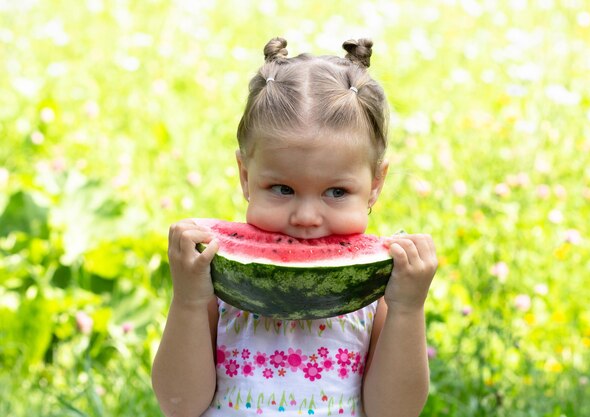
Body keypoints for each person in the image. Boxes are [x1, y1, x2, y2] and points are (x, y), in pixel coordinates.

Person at [152, 37, 438, 417]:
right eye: (282, 189)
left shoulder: (374, 297)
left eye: (336, 191)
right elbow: (179, 405)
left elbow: (394, 412)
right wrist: (188, 299)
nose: (306, 217)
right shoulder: (220, 286)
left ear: (374, 186)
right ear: (245, 176)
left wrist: (407, 308)